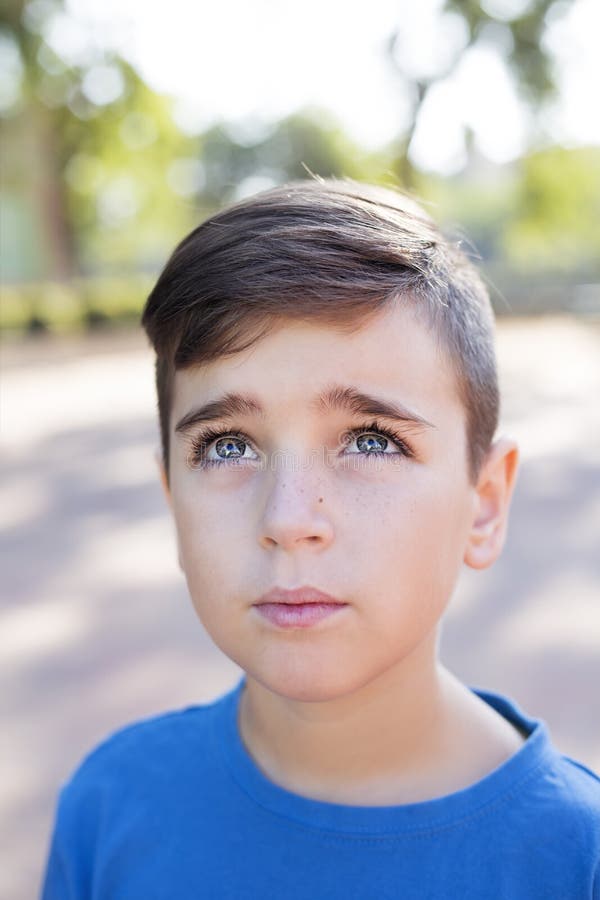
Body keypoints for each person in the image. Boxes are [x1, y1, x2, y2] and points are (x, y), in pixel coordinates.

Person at [41, 179, 600, 899]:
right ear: (172, 501)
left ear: (484, 505)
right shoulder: (108, 809)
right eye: (228, 446)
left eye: (371, 440)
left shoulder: (573, 860)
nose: (287, 518)